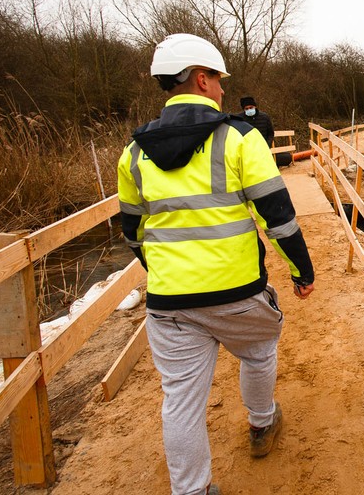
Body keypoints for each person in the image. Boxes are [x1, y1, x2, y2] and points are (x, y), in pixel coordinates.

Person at [117, 33, 315, 495]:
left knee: (181, 401)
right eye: (220, 80)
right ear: (202, 80)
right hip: (238, 292)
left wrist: (167, 272)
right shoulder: (240, 139)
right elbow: (278, 218)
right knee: (259, 352)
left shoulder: (134, 153)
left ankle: (193, 491)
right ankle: (262, 425)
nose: (224, 90)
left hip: (169, 303)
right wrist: (301, 271)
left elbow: (132, 233)